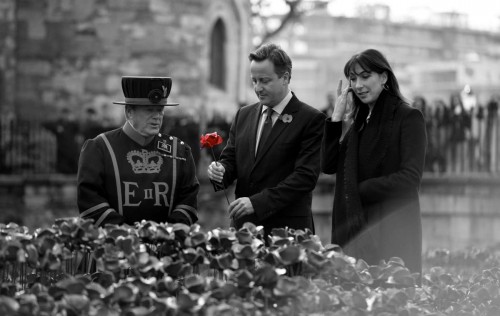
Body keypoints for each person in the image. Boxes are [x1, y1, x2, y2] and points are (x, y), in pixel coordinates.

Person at [320, 49, 427, 276]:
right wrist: (336, 118)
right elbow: (328, 165)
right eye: (353, 78)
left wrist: (360, 191)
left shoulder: (408, 118)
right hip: (357, 230)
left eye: (365, 76)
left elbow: (410, 179)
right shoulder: (359, 124)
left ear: (384, 77)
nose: (358, 85)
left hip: (391, 233)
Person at [207, 43, 325, 239]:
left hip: (288, 234)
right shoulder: (243, 115)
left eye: (264, 81)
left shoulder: (311, 119)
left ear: (285, 77)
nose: (257, 88)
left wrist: (257, 203)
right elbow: (230, 162)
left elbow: (304, 178)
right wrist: (219, 171)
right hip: (244, 232)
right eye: (253, 81)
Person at [77, 76, 199, 227]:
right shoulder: (100, 147)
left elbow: (188, 199)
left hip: (167, 245)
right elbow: (90, 201)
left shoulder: (179, 150)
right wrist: (125, 231)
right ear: (129, 112)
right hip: (117, 245)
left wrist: (169, 231)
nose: (157, 117)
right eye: (149, 110)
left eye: (160, 110)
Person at [42, 107, 81, 174]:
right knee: (62, 165)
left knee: (74, 165)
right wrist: (56, 127)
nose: (65, 116)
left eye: (66, 114)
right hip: (62, 148)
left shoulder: (72, 124)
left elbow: (79, 128)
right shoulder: (58, 123)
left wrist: (73, 120)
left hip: (72, 147)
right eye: (64, 114)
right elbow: (45, 124)